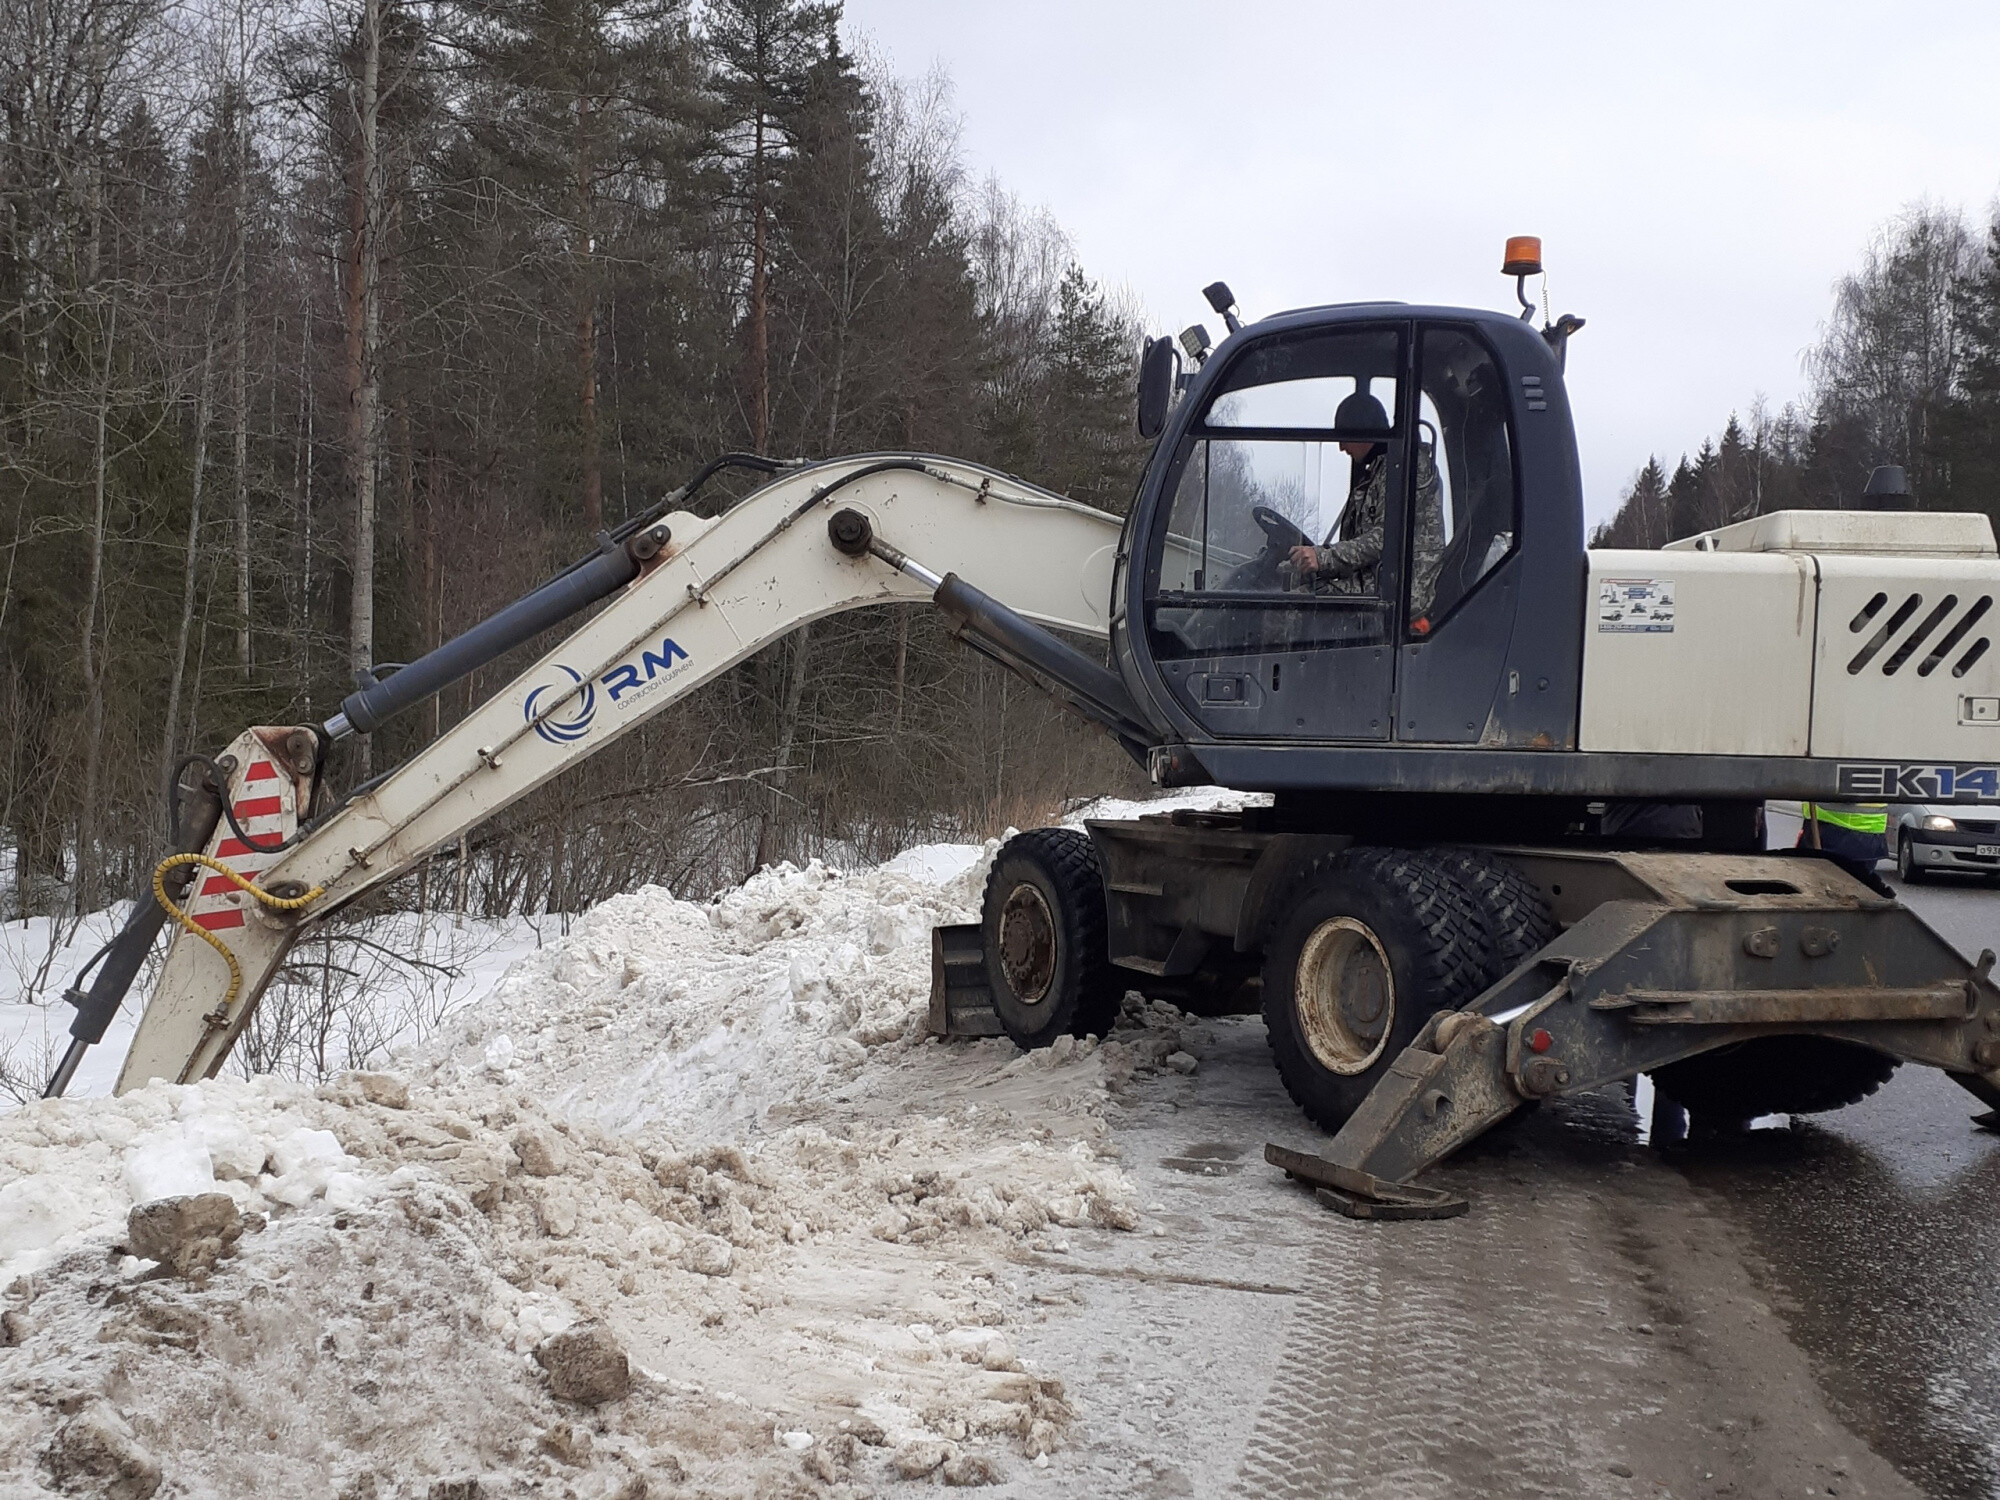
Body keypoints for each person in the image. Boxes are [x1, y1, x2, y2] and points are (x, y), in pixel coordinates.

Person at [1287, 391, 1446, 614]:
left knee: (1285, 609)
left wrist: (1322, 557)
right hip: (1376, 580)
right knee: (1285, 584)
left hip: (1401, 589)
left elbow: (1386, 539)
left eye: (1344, 436)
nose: (1341, 447)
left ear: (1363, 430)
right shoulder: (1380, 470)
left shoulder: (1408, 468)